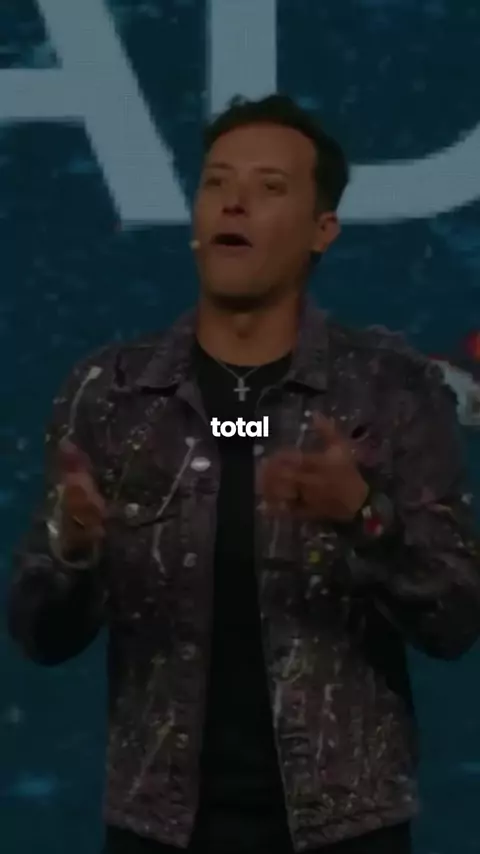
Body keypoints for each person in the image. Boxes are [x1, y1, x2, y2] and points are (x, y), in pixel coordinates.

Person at [7, 94, 480, 854]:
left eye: (269, 187)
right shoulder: (111, 394)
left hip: (347, 830)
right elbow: (39, 635)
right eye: (217, 182)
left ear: (322, 229)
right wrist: (72, 549)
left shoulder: (389, 391)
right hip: (158, 831)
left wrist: (362, 513)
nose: (234, 202)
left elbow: (455, 620)